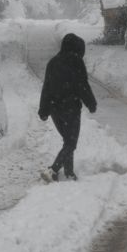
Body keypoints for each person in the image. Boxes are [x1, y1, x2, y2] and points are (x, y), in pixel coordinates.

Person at [38, 33, 97, 182]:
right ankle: (53, 170)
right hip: (71, 108)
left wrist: (43, 109)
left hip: (54, 110)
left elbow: (46, 87)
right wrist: (91, 103)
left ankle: (69, 172)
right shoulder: (76, 62)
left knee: (67, 141)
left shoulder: (52, 62)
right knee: (71, 142)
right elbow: (82, 86)